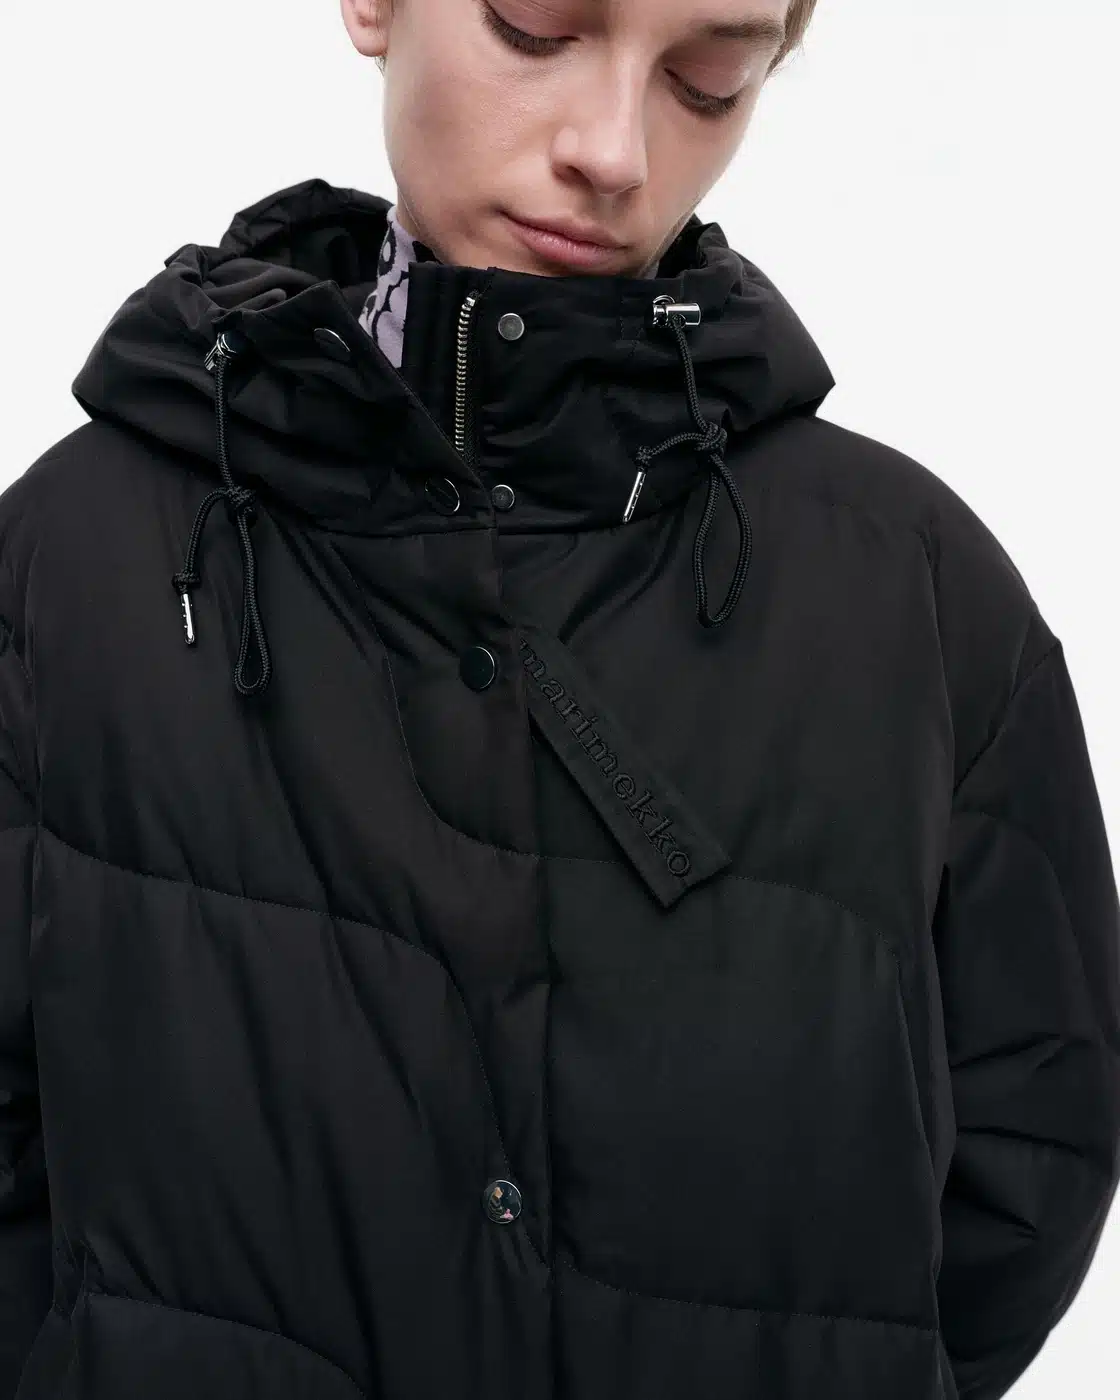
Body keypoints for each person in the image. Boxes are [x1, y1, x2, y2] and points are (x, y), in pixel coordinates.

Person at [2, 2, 1117, 1398]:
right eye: (535, 26)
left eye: (707, 80)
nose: (614, 150)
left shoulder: (921, 595)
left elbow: (1034, 1146)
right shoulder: (67, 565)